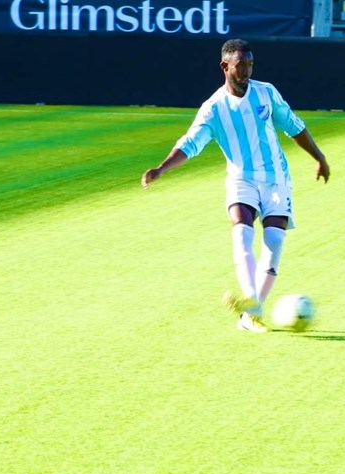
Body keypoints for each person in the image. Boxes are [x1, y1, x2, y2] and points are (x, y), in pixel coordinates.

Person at [141, 38, 330, 333]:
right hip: (241, 179)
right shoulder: (213, 108)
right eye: (241, 65)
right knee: (241, 232)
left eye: (250, 64)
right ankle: (252, 304)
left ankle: (251, 312)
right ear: (225, 66)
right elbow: (190, 143)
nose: (246, 71)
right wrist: (161, 168)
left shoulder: (266, 93)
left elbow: (294, 126)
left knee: (274, 241)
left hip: (276, 178)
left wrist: (319, 157)